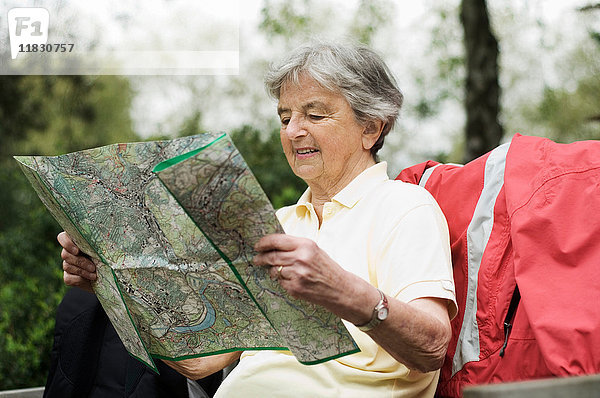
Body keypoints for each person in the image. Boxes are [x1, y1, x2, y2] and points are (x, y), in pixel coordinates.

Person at [59, 41, 457, 397]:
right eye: (285, 118)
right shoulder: (276, 224)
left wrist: (341, 291)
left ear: (370, 127)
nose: (293, 131)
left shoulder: (405, 207)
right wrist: (112, 283)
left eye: (314, 115)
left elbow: (433, 348)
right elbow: (199, 363)